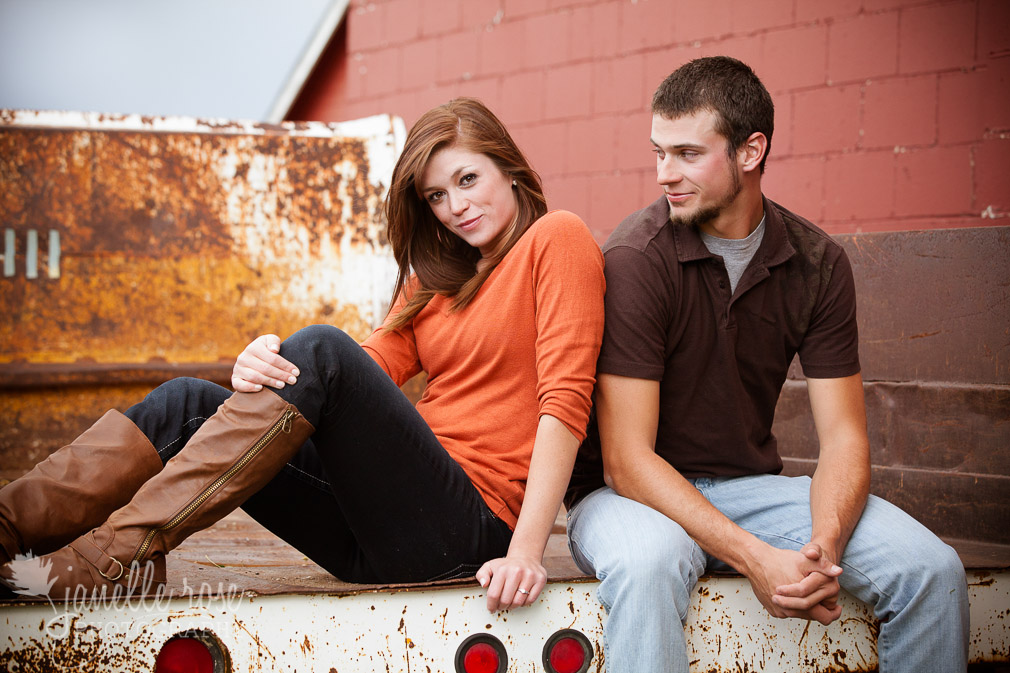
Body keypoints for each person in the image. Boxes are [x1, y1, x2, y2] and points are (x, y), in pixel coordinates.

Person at [0, 98, 605, 611]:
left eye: (468, 181)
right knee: (189, 401)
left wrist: (526, 550)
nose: (455, 207)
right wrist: (264, 367)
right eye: (437, 196)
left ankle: (113, 558)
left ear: (511, 170)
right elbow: (368, 369)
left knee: (322, 348)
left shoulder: (557, 239)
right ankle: (9, 526)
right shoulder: (435, 277)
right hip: (373, 531)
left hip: (463, 530)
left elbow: (566, 403)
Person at [564, 56, 969, 672]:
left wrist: (820, 550)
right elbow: (626, 460)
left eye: (687, 154)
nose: (664, 174)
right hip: (629, 500)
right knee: (650, 561)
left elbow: (843, 438)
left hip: (745, 489)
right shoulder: (635, 258)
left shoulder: (817, 263)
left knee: (932, 571)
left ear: (751, 151)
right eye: (658, 152)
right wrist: (756, 559)